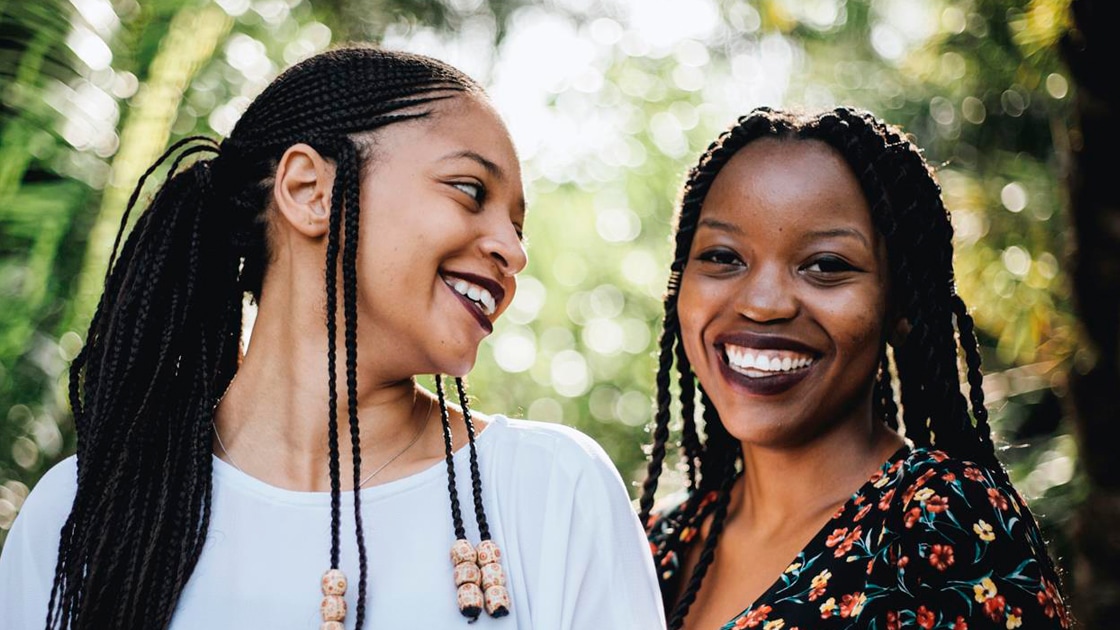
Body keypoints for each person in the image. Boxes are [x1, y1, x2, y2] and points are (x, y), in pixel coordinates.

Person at [0, 46, 664, 629]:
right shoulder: (82, 513)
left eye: (518, 226)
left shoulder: (550, 492)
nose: (512, 251)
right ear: (309, 190)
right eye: (469, 191)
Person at [640, 106, 1071, 630]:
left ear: (900, 307)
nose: (763, 303)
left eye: (826, 265)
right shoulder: (659, 541)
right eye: (724, 256)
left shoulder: (942, 523)